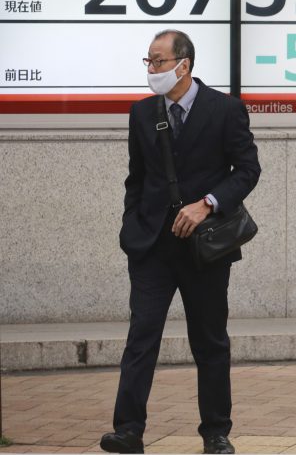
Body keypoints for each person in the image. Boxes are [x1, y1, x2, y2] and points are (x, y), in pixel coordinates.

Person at [101, 30, 261, 455]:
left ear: (183, 64)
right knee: (142, 337)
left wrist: (207, 204)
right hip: (151, 246)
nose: (151, 69)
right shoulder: (141, 113)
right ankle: (129, 430)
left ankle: (215, 433)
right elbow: (136, 179)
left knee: (209, 341)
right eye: (148, 61)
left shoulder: (225, 110)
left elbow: (247, 170)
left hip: (205, 247)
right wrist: (130, 227)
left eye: (158, 61)